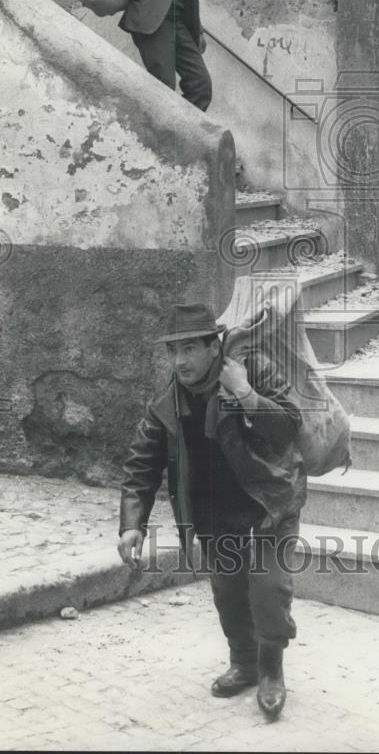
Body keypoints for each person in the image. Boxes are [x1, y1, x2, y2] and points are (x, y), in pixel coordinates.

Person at [117, 303, 306, 720]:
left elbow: (290, 424)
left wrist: (245, 393)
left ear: (212, 345)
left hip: (270, 501)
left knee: (269, 588)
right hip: (216, 511)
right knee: (228, 591)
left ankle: (272, 668)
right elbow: (141, 464)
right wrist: (133, 524)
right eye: (172, 351)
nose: (179, 361)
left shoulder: (252, 369)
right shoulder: (168, 402)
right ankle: (244, 662)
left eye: (188, 349)